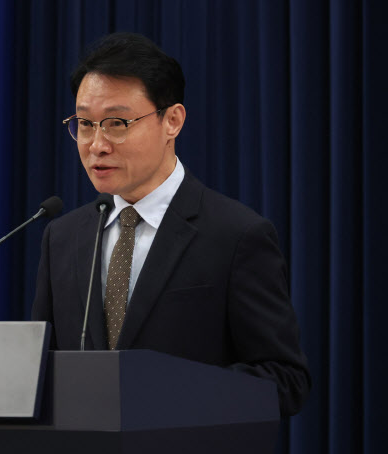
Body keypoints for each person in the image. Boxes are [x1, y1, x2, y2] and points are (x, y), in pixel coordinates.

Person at [31, 32, 310, 416]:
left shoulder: (236, 236)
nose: (96, 144)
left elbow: (285, 379)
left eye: (116, 123)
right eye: (84, 124)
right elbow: (42, 369)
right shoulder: (62, 237)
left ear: (172, 121)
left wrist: (170, 396)